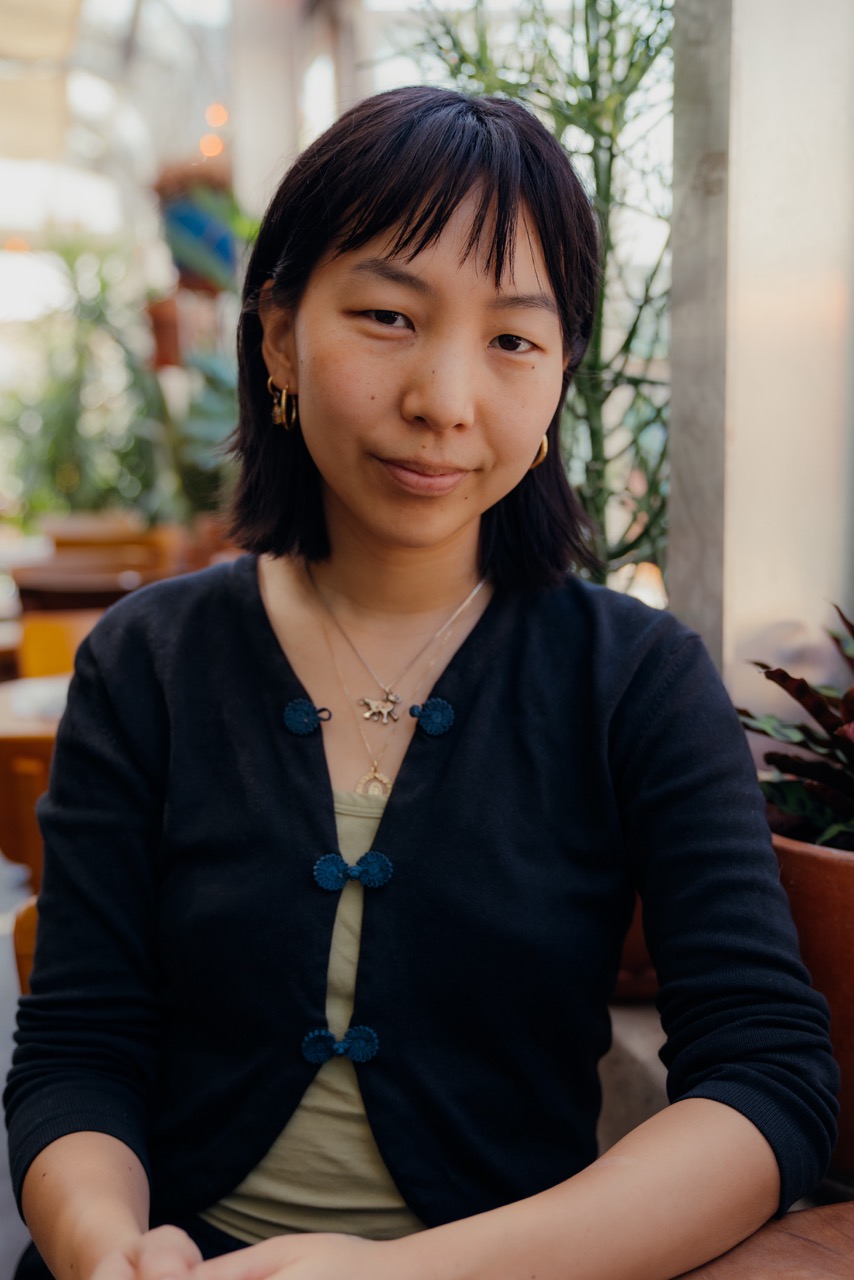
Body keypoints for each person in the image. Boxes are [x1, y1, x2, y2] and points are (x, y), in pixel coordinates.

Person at [4, 85, 838, 1280]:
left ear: (558, 379)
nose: (445, 400)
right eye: (390, 316)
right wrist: (110, 1250)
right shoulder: (149, 662)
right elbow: (80, 1050)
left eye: (511, 338)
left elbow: (766, 1078)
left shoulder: (632, 677)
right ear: (280, 332)